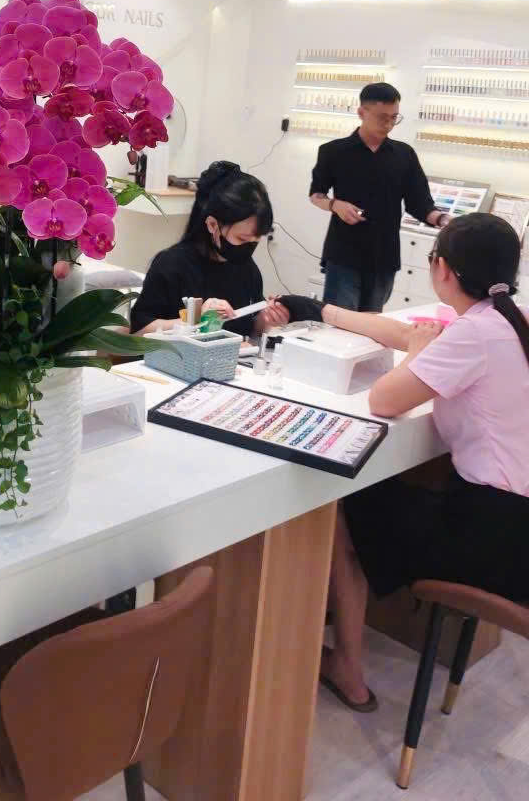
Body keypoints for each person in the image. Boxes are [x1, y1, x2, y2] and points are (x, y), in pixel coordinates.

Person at [279, 213, 529, 712]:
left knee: (347, 506)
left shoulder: (473, 336)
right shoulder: (508, 318)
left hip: (492, 539)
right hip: (515, 530)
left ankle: (348, 667)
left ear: (443, 270)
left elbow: (384, 400)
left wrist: (415, 353)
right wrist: (325, 311)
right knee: (388, 497)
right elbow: (405, 332)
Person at [309, 82, 447, 312]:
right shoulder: (333, 151)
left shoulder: (404, 154)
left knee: (373, 322)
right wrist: (335, 205)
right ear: (361, 112)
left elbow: (419, 202)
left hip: (384, 255)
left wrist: (442, 220)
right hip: (344, 252)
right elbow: (316, 195)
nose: (389, 124)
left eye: (394, 118)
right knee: (339, 322)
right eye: (382, 117)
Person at [130, 161, 290, 337]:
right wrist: (194, 320)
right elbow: (138, 331)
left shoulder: (246, 268)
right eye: (242, 239)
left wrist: (267, 320)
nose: (249, 247)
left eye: (256, 240)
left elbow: (249, 330)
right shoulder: (172, 265)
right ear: (212, 224)